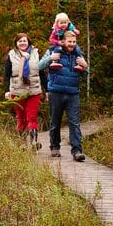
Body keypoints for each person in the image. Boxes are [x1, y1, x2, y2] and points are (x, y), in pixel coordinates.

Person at [38, 30, 88, 161]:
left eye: (74, 42)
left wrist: (85, 66)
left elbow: (85, 74)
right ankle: (55, 147)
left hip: (73, 93)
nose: (71, 44)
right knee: (55, 121)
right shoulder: (53, 51)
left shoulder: (78, 54)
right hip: (56, 92)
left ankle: (77, 151)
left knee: (75, 123)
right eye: (69, 41)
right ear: (64, 41)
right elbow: (39, 66)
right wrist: (50, 59)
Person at [2, 32, 43, 149]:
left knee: (32, 116)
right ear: (16, 44)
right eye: (20, 41)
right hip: (17, 92)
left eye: (24, 40)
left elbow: (41, 73)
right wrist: (6, 90)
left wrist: (47, 89)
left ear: (28, 42)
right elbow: (6, 75)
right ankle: (22, 144)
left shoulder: (35, 54)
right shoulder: (11, 55)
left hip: (34, 91)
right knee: (20, 117)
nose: (22, 43)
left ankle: (34, 142)